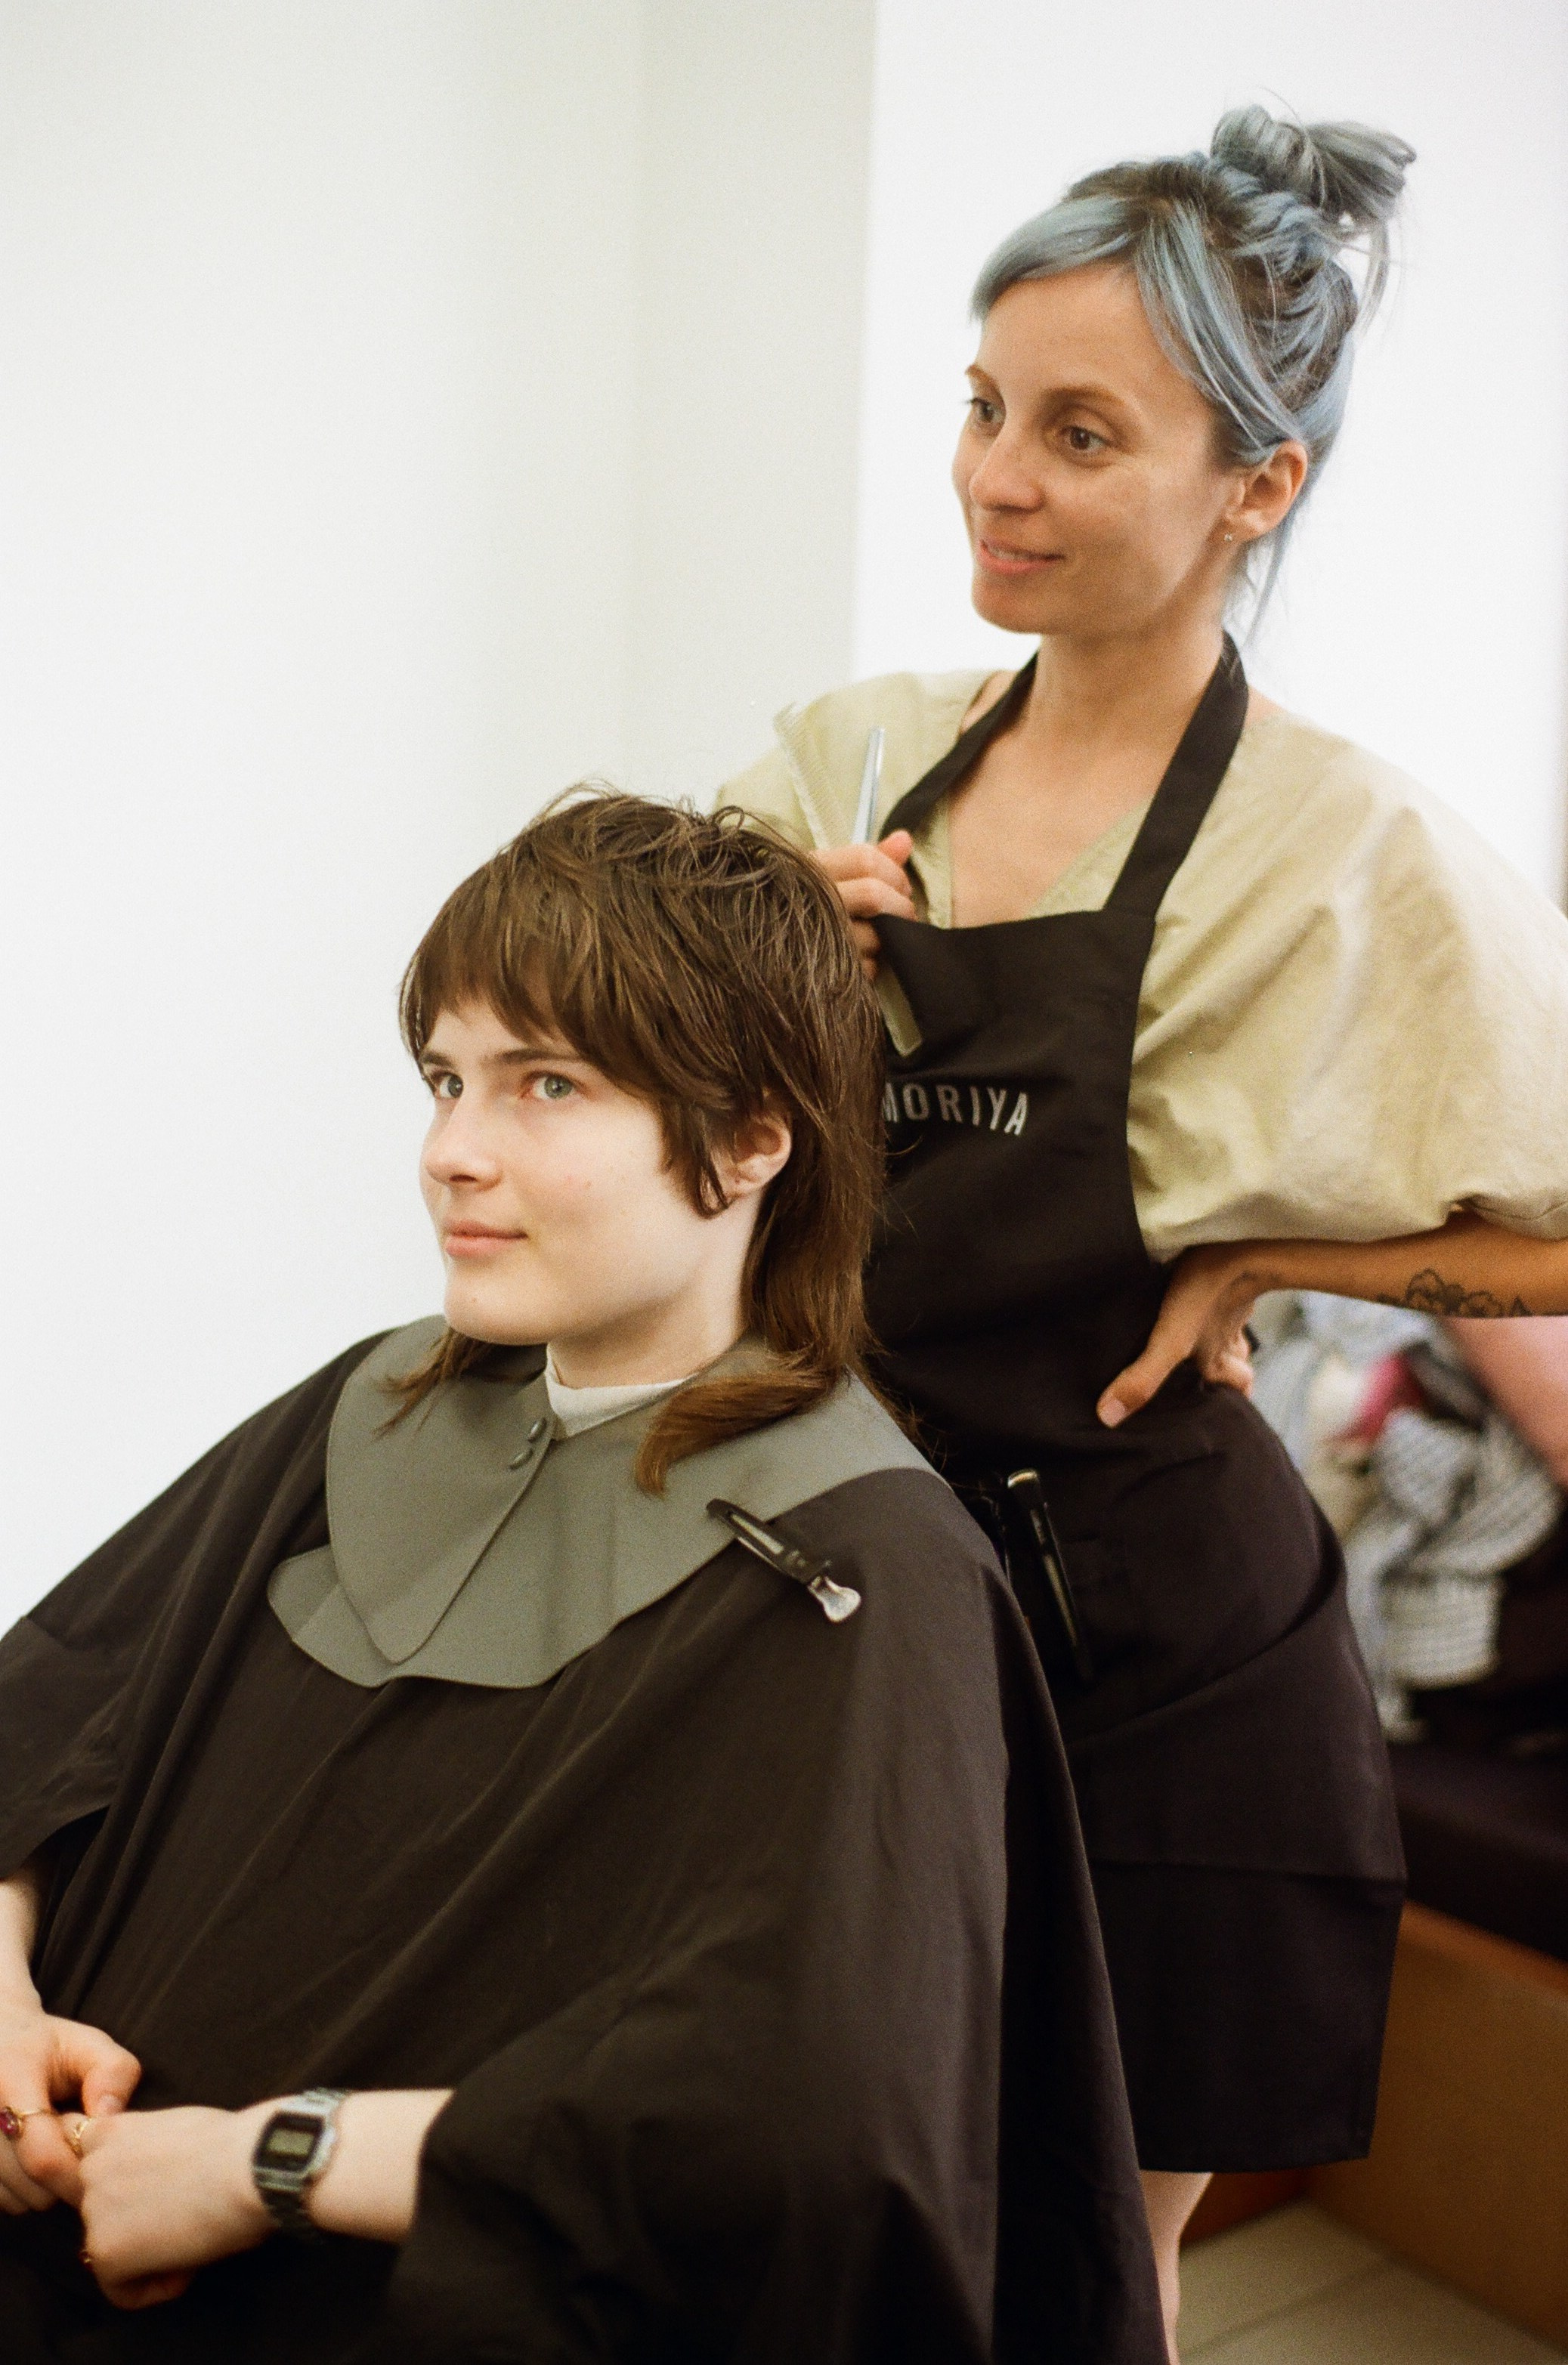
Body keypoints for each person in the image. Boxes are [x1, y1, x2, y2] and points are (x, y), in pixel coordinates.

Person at [725, 106, 1568, 2355]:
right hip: (846, 1620)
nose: (995, 475)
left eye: (1078, 432)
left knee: (1087, 2273)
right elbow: (606, 1101)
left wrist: (1294, 1261)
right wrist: (750, 971)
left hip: (1166, 1684)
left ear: (1254, 486)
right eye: (984, 408)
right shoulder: (841, 765)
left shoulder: (1343, 848)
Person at [0, 795, 1164, 2362]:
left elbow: (803, 2131)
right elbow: (47, 1716)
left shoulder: (866, 1566)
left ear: (756, 1137)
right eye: (447, 1077)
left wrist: (274, 2160)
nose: (451, 1151)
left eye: (547, 1083)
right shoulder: (375, 1402)